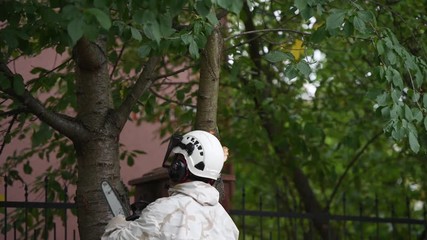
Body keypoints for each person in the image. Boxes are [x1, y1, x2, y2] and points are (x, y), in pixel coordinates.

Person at [101, 130, 239, 240]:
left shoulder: (164, 210)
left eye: (176, 161)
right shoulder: (227, 223)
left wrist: (117, 224)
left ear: (179, 167)